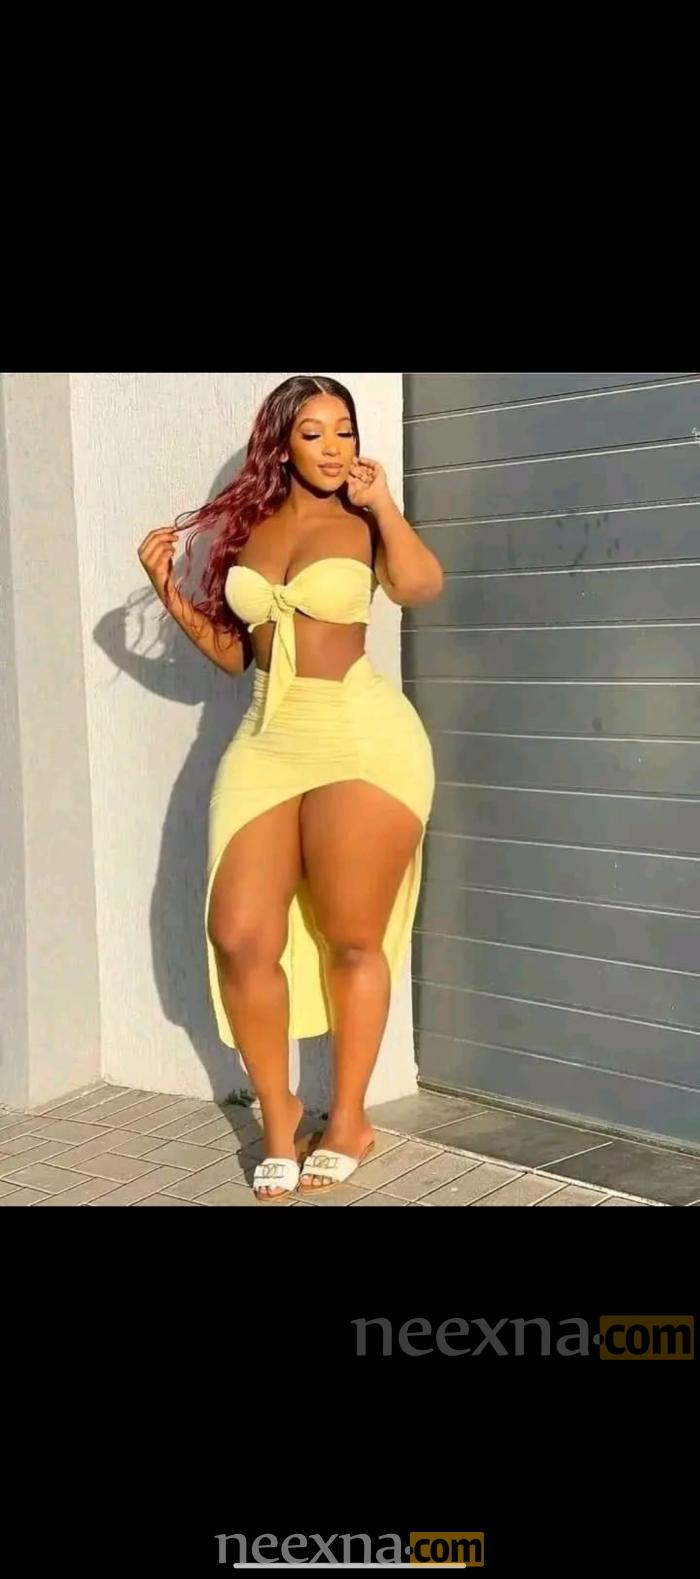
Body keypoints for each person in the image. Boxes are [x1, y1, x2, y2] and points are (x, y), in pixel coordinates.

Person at [137, 375, 443, 1202]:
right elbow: (237, 656)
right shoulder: (251, 527)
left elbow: (419, 587)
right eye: (315, 433)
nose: (336, 447)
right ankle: (281, 1116)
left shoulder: (364, 519)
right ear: (282, 444)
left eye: (346, 430)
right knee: (238, 933)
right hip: (266, 737)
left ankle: (350, 1120)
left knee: (352, 934)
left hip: (359, 734)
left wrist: (383, 506)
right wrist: (170, 589)